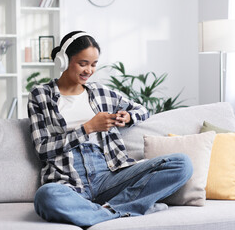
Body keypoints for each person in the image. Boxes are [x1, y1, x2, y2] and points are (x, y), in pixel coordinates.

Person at [27, 30, 193, 227]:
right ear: (63, 61)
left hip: (110, 175)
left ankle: (100, 212)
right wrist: (87, 128)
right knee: (46, 196)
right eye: (83, 63)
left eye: (94, 64)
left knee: (182, 164)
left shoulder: (102, 93)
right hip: (69, 180)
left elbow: (142, 109)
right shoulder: (40, 95)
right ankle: (125, 209)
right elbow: (43, 150)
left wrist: (129, 116)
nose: (89, 70)